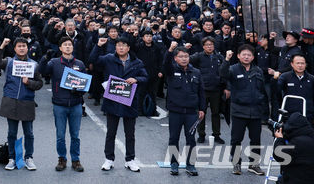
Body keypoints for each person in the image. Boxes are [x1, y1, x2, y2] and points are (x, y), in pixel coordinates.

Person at [89, 36, 148, 172]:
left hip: (129, 102)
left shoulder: (136, 62)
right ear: (115, 47)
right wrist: (98, 46)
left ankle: (130, 160)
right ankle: (109, 159)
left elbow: (146, 77)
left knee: (130, 134)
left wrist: (136, 79)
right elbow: (92, 61)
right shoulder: (109, 58)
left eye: (124, 45)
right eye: (118, 45)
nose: (121, 47)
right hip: (113, 101)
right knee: (111, 132)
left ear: (128, 48)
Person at [0, 37, 44, 171]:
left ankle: (29, 158)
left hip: (27, 101)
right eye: (19, 46)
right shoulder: (9, 62)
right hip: (11, 100)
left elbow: (40, 84)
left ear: (28, 48)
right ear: (15, 48)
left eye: (24, 46)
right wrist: (2, 45)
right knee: (11, 132)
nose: (22, 48)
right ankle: (11, 158)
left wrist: (29, 83)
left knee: (29, 133)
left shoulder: (34, 64)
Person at [39, 37, 86, 172]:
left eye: (69, 45)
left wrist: (79, 91)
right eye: (64, 45)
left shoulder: (80, 64)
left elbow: (85, 83)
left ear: (72, 47)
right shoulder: (54, 62)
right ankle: (62, 158)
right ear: (60, 48)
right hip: (59, 104)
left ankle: (76, 160)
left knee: (75, 135)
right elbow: (42, 71)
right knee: (60, 135)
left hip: (76, 104)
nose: (67, 47)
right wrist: (44, 58)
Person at [220, 44, 266, 176]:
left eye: (249, 55)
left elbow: (262, 90)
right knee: (236, 139)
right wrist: (227, 59)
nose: (246, 57)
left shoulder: (258, 71)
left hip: (256, 111)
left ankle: (254, 164)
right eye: (243, 54)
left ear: (253, 57)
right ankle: (236, 163)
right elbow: (222, 74)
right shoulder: (233, 69)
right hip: (239, 110)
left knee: (256, 139)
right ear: (239, 56)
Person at [162, 44, 205, 176]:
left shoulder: (196, 72)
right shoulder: (171, 70)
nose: (184, 59)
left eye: (186, 56)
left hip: (192, 112)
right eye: (181, 56)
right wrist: (169, 50)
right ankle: (174, 164)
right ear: (175, 58)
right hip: (175, 111)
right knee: (174, 138)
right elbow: (165, 65)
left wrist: (202, 109)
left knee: (191, 139)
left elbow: (201, 92)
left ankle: (190, 165)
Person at [190, 36, 225, 144]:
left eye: (211, 45)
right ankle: (201, 134)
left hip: (216, 89)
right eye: (207, 45)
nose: (209, 47)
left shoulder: (219, 57)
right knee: (202, 113)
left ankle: (216, 135)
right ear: (203, 46)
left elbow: (225, 70)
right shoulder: (199, 56)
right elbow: (187, 61)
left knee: (216, 113)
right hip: (203, 89)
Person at [273, 112, 314, 184]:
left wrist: (279, 138)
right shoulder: (310, 136)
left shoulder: (298, 142)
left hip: (298, 179)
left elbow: (279, 155)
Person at [276, 54, 314, 121]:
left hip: (308, 115)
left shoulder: (311, 78)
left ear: (306, 65)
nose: (300, 65)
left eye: (302, 63)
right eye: (297, 63)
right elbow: (277, 92)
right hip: (289, 115)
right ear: (292, 64)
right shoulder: (285, 77)